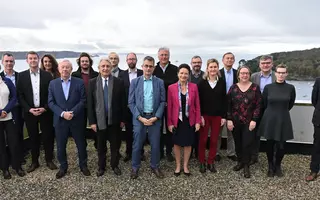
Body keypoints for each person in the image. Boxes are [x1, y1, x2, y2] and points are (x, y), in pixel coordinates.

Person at [48, 60, 90, 179]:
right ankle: (63, 167)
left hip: (76, 120)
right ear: (59, 69)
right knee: (61, 146)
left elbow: (83, 100)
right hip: (60, 120)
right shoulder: (53, 84)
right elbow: (51, 102)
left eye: (67, 67)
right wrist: (62, 113)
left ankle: (83, 166)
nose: (65, 69)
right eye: (63, 67)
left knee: (81, 144)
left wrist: (72, 112)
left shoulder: (79, 82)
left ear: (71, 69)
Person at [17, 51, 57, 173]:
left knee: (47, 137)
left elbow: (51, 94)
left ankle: (49, 160)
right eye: (31, 58)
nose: (33, 60)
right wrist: (29, 109)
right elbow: (20, 95)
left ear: (38, 60)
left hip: (45, 111)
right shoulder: (22, 76)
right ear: (27, 61)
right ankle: (35, 162)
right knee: (33, 138)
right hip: (30, 113)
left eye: (35, 58)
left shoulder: (47, 75)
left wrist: (45, 107)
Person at [87, 58, 126, 176]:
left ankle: (114, 165)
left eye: (107, 66)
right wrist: (92, 122)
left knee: (115, 146)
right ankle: (101, 167)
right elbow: (90, 104)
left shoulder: (118, 82)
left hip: (115, 121)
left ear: (111, 68)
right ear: (99, 68)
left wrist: (123, 119)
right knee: (101, 146)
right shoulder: (92, 82)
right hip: (99, 122)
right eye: (102, 66)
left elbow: (123, 102)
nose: (105, 68)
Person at [129, 56, 166, 179]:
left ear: (154, 67)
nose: (148, 68)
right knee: (137, 144)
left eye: (151, 66)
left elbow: (162, 101)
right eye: (146, 66)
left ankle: (155, 166)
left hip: (154, 118)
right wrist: (139, 117)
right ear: (142, 67)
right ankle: (135, 167)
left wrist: (156, 117)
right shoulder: (135, 82)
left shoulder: (159, 82)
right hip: (140, 118)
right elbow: (131, 102)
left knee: (155, 144)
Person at [259, 64, 296, 178]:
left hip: (283, 118)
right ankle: (270, 166)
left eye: (283, 72)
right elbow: (264, 103)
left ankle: (278, 165)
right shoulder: (268, 87)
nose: (281, 74)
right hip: (270, 118)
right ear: (275, 73)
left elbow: (290, 104)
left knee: (281, 146)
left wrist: (281, 111)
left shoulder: (290, 88)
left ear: (286, 74)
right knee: (269, 144)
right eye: (279, 72)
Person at [227, 66, 261, 178]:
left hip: (249, 121)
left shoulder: (255, 88)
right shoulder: (233, 88)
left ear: (249, 74)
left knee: (247, 143)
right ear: (238, 75)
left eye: (246, 73)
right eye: (242, 73)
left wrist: (254, 120)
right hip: (235, 121)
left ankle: (246, 165)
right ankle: (240, 161)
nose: (244, 75)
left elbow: (258, 106)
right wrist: (229, 119)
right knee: (238, 143)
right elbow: (228, 105)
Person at [167, 64, 201, 176]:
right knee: (176, 144)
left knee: (188, 144)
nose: (183, 75)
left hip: (189, 120)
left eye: (186, 73)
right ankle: (178, 165)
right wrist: (170, 123)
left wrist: (197, 121)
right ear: (178, 74)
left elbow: (197, 105)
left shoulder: (193, 87)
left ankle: (185, 166)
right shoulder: (171, 88)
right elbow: (170, 107)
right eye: (181, 73)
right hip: (177, 120)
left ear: (189, 75)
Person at [198, 59, 227, 173]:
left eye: (215, 67)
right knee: (203, 140)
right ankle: (202, 161)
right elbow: (198, 101)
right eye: (211, 67)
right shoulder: (202, 83)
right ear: (207, 68)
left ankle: (211, 161)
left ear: (217, 68)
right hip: (204, 116)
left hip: (217, 116)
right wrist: (199, 116)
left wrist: (223, 116)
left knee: (214, 140)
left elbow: (224, 100)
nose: (213, 69)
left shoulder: (222, 82)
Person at [119, 53, 145, 162]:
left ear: (136, 60)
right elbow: (119, 92)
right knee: (129, 131)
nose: (131, 61)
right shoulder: (122, 75)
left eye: (133, 59)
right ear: (126, 61)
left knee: (140, 131)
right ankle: (129, 152)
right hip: (127, 108)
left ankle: (141, 152)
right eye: (129, 59)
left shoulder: (142, 73)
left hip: (140, 107)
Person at [153, 47, 178, 162]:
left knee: (170, 129)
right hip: (156, 104)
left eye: (166, 55)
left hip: (171, 104)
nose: (164, 57)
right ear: (158, 56)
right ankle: (159, 152)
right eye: (162, 55)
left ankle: (169, 151)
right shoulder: (154, 69)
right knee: (157, 128)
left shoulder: (175, 69)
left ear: (169, 56)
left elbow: (176, 86)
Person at [250, 55, 276, 164]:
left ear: (272, 64)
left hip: (272, 109)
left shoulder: (276, 76)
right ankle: (254, 157)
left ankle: (273, 158)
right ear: (259, 65)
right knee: (255, 134)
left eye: (268, 63)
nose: (265, 65)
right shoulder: (253, 77)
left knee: (272, 134)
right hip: (256, 109)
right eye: (263, 63)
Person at [0, 70, 26, 179]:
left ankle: (17, 166)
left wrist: (6, 110)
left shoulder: (7, 81)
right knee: (1, 145)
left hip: (9, 117)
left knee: (14, 143)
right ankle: (5, 169)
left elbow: (14, 97)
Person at [72, 52, 99, 149]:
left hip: (94, 105)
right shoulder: (74, 75)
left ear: (90, 62)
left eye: (86, 61)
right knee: (80, 128)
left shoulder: (96, 74)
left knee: (96, 126)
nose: (84, 63)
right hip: (80, 105)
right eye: (82, 61)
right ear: (79, 63)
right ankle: (83, 146)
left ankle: (98, 145)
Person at [217, 52, 237, 162]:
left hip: (234, 106)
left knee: (231, 131)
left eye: (231, 58)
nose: (229, 60)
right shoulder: (217, 73)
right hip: (220, 105)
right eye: (227, 58)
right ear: (223, 60)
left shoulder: (237, 73)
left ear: (234, 60)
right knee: (217, 131)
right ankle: (216, 152)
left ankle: (231, 153)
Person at [189, 55, 204, 159]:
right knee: (190, 131)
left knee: (200, 132)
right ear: (191, 64)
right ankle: (189, 152)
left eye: (198, 62)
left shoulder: (205, 75)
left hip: (202, 106)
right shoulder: (187, 74)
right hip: (189, 107)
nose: (196, 64)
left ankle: (198, 153)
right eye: (194, 62)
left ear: (201, 63)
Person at [306, 76, 320, 181]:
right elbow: (314, 100)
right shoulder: (319, 80)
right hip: (319, 119)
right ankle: (314, 170)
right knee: (317, 145)